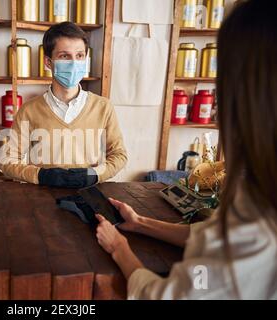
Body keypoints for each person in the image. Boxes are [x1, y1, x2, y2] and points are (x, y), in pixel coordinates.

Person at [95, 0, 277, 299]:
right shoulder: (256, 196)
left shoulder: (258, 228)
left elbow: (181, 292)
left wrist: (119, 248)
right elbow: (218, 238)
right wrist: (142, 224)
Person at [0, 22, 127, 188]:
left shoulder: (103, 107)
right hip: (42, 201)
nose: (74, 63)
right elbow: (7, 161)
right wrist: (41, 175)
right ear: (48, 62)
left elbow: (119, 155)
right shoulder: (29, 110)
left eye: (79, 56)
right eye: (64, 56)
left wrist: (94, 175)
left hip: (88, 197)